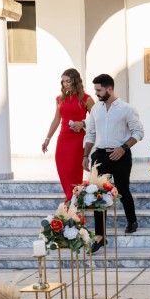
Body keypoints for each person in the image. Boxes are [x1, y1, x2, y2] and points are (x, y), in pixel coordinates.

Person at [83, 74, 144, 252]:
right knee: (97, 193)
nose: (96, 93)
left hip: (120, 155)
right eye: (95, 90)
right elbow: (90, 134)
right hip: (100, 155)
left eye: (99, 90)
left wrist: (123, 148)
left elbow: (138, 132)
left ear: (109, 88)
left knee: (123, 189)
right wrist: (85, 155)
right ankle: (100, 237)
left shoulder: (127, 109)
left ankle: (132, 221)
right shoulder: (96, 109)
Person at [42, 69, 95, 202]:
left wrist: (82, 123)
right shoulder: (60, 99)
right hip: (62, 139)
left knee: (73, 171)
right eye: (63, 81)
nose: (65, 84)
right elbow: (56, 120)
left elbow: (96, 119)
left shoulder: (87, 99)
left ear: (75, 81)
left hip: (77, 140)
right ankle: (70, 198)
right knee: (63, 171)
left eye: (68, 81)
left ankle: (73, 201)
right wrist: (47, 138)